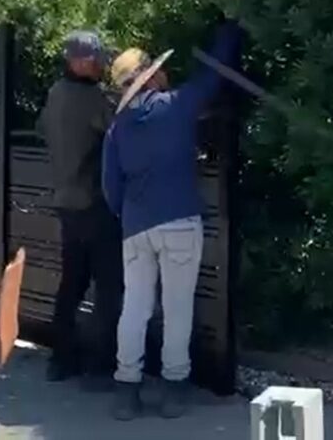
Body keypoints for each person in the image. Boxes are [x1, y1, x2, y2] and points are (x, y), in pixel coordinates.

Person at [103, 21, 242, 421]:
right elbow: (213, 75)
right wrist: (228, 30)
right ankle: (173, 390)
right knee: (178, 307)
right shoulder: (176, 106)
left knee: (135, 307)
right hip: (180, 219)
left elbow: (110, 185)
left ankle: (126, 390)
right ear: (153, 76)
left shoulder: (117, 129)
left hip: (136, 226)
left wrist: (129, 216)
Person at [38, 31, 121, 390]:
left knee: (71, 284)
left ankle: (61, 359)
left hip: (66, 203)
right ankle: (102, 365)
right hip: (95, 205)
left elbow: (42, 128)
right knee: (108, 287)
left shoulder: (55, 93)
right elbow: (119, 129)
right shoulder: (91, 98)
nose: (103, 64)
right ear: (81, 61)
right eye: (98, 59)